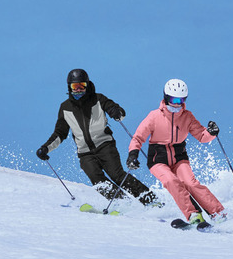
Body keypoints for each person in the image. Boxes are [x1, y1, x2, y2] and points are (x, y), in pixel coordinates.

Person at [37, 68, 160, 206]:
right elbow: (60, 133)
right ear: (69, 87)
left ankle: (150, 200)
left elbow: (120, 111)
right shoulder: (65, 108)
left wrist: (116, 112)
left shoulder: (98, 99)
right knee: (97, 180)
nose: (78, 90)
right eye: (74, 87)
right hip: (85, 153)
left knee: (117, 175)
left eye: (81, 86)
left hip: (105, 145)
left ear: (87, 85)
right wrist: (46, 148)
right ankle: (122, 203)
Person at [126, 78, 227, 225]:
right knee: (171, 181)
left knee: (190, 183)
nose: (176, 104)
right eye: (173, 99)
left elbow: (201, 136)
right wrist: (133, 154)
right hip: (158, 160)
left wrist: (211, 133)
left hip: (179, 158)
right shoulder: (154, 116)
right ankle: (193, 215)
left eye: (180, 100)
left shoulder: (187, 116)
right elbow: (138, 137)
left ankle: (218, 213)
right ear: (166, 97)